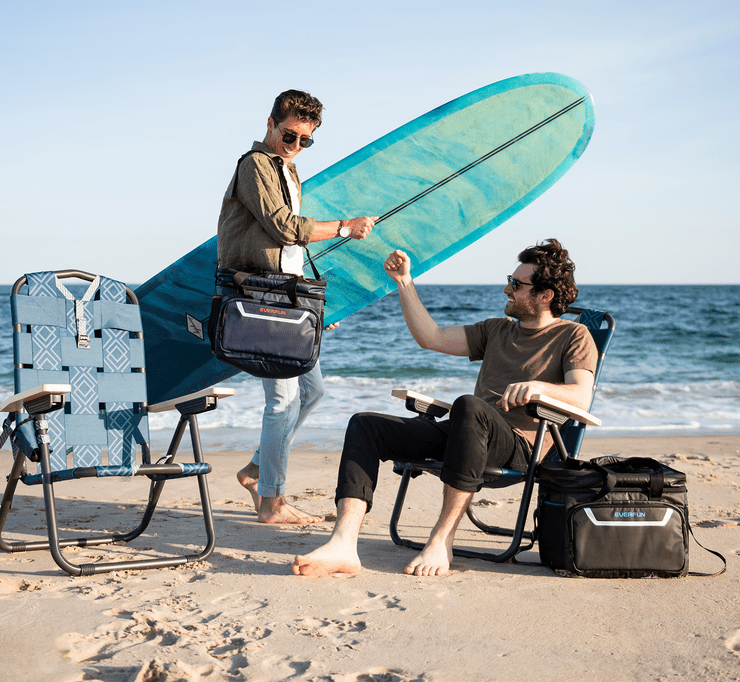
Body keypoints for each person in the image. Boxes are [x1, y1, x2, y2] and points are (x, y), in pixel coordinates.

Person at [292, 238, 597, 575]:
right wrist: (404, 282)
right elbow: (431, 337)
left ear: (545, 295)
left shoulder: (574, 335)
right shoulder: (496, 330)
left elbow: (581, 397)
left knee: (468, 406)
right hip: (466, 432)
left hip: (519, 445)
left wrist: (539, 388)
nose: (507, 289)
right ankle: (344, 543)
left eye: (516, 284)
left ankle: (441, 541)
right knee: (366, 424)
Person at [217, 89, 377, 524]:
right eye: (290, 136)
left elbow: (288, 249)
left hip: (286, 294)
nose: (296, 146)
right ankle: (272, 502)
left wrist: (312, 310)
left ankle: (255, 471)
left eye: (306, 141)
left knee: (312, 391)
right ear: (270, 123)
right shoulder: (255, 166)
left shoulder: (287, 171)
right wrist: (344, 227)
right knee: (283, 399)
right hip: (259, 295)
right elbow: (285, 229)